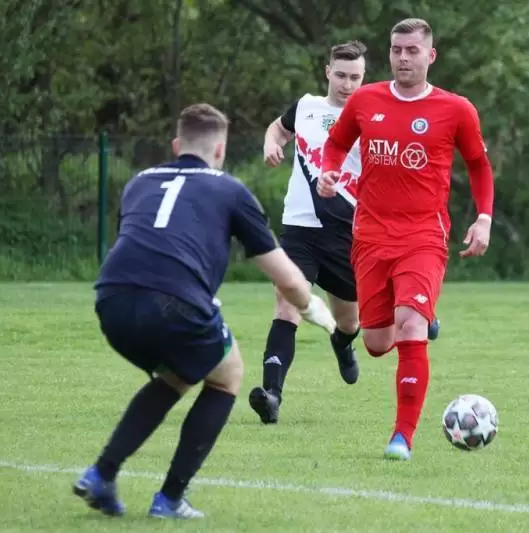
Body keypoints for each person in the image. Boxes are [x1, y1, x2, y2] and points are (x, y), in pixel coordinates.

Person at [72, 103, 336, 519]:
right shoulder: (229, 190)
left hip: (110, 300)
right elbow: (287, 278)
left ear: (177, 145)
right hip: (173, 301)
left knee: (177, 376)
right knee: (228, 374)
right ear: (220, 150)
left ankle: (101, 475)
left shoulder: (139, 181)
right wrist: (311, 307)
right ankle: (169, 499)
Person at [318, 18, 495, 461]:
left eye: (412, 50)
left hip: (423, 236)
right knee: (377, 343)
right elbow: (336, 145)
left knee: (410, 326)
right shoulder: (365, 100)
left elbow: (478, 164)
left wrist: (484, 218)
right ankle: (420, 316)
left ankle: (402, 437)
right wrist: (329, 170)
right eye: (397, 49)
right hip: (370, 235)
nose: (403, 58)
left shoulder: (456, 109)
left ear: (430, 56)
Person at [247, 41, 366, 425]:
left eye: (355, 77)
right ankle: (271, 396)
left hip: (346, 233)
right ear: (327, 72)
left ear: (364, 78)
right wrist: (270, 143)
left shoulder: (371, 117)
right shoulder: (306, 107)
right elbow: (278, 129)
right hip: (299, 230)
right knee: (287, 305)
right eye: (341, 75)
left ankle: (342, 344)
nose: (347, 84)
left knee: (349, 322)